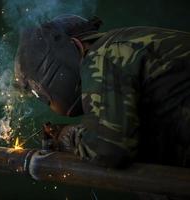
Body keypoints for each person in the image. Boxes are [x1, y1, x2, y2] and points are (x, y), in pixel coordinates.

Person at [14, 15, 190, 168]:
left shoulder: (102, 56)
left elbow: (109, 149)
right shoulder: (118, 46)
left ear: (75, 45)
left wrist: (72, 137)